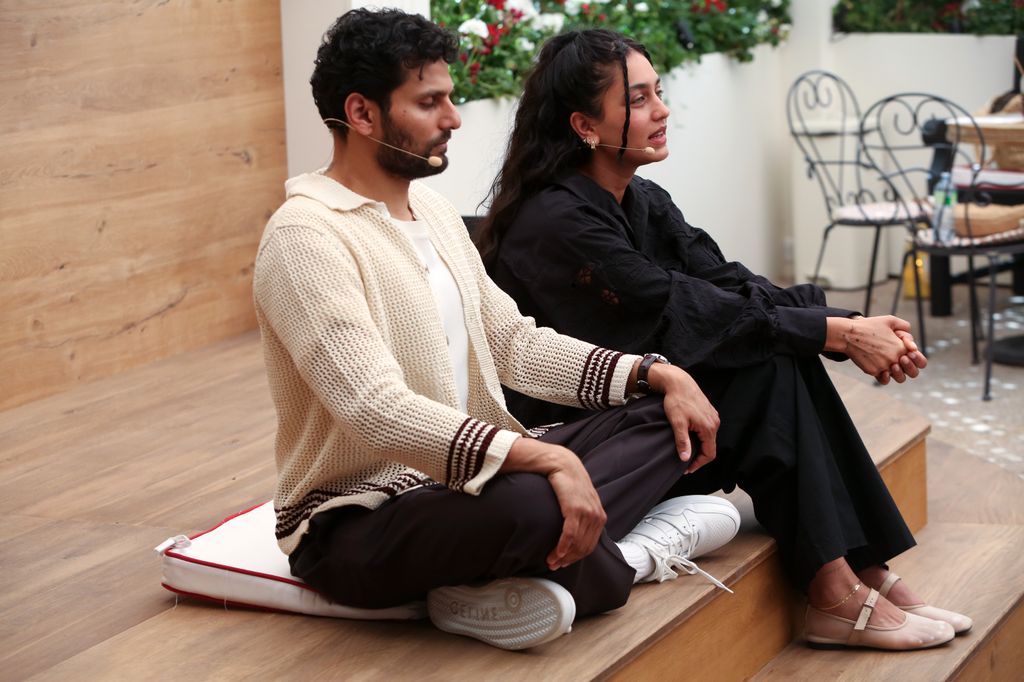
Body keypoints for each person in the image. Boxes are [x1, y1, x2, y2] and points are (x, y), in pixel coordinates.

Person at [253, 9, 745, 652]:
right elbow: (373, 410)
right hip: (357, 521)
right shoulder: (305, 237)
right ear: (363, 113)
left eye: (450, 98)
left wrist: (655, 372)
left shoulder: (431, 211)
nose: (454, 118)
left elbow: (513, 343)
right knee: (536, 504)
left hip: (466, 481)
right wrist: (545, 458)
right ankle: (629, 559)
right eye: (430, 102)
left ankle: (548, 566)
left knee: (665, 413)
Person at [477, 28, 971, 651]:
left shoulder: (641, 200)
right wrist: (836, 333)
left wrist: (851, 327)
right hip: (578, 446)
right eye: (638, 99)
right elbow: (679, 310)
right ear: (584, 125)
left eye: (659, 91)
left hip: (653, 418)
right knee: (762, 367)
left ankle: (857, 570)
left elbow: (731, 285)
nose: (661, 110)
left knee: (772, 352)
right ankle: (835, 587)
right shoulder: (554, 222)